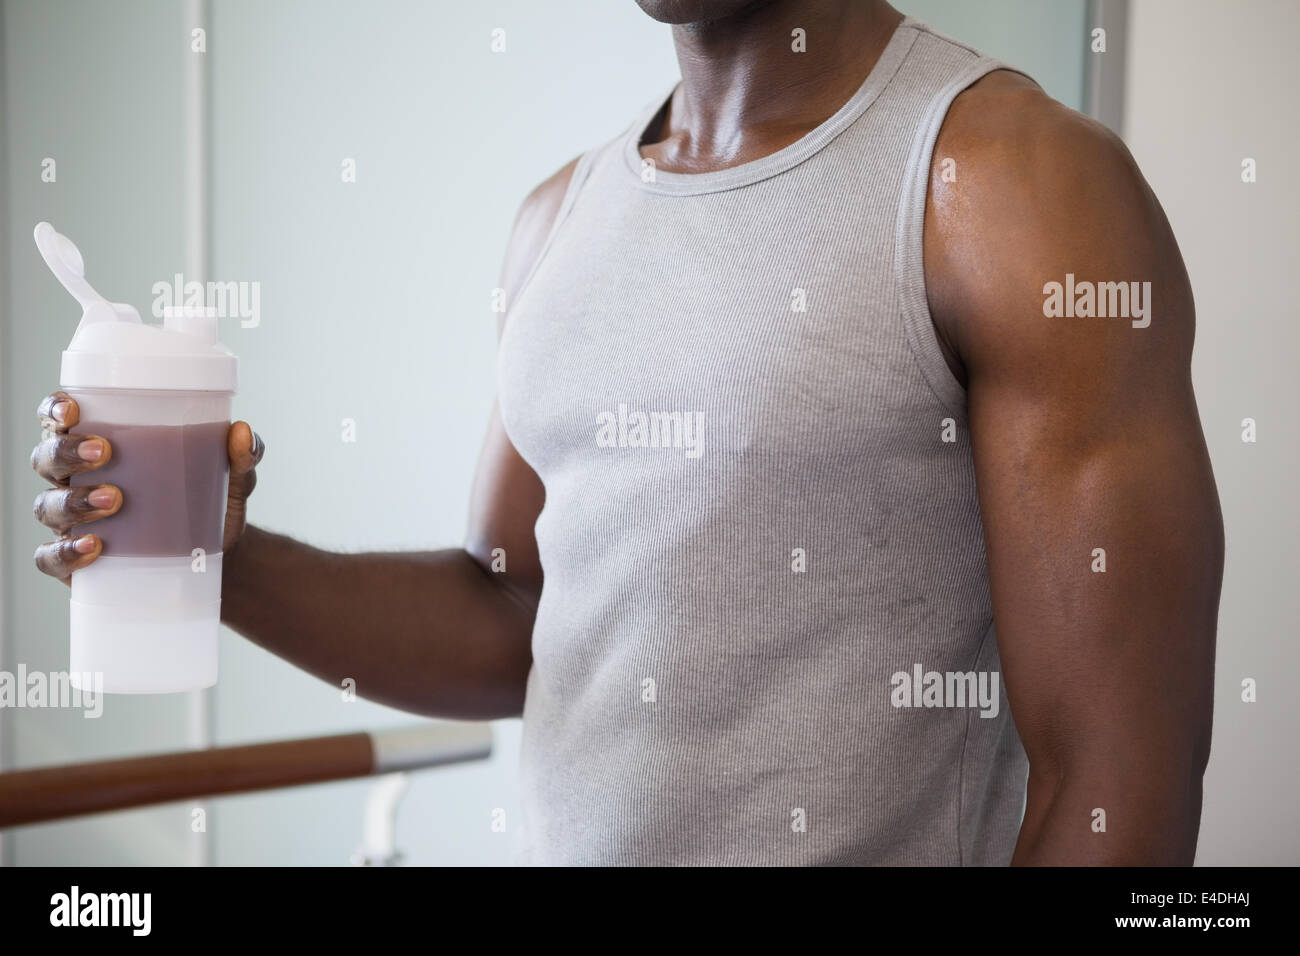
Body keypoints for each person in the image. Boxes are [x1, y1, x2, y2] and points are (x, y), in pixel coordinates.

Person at [30, 0, 1223, 865]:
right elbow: (515, 618)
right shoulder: (558, 218)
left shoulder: (1012, 184)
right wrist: (214, 558)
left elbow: (1120, 782)